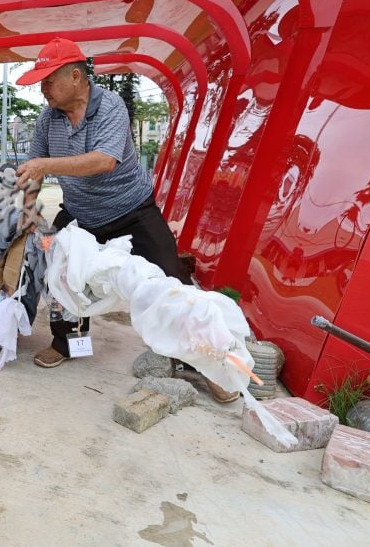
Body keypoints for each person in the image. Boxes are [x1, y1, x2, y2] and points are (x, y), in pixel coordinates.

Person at [14, 38, 233, 402]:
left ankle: (206, 363)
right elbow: (34, 172)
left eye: (47, 81)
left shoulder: (111, 105)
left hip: (132, 209)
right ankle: (68, 343)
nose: (43, 90)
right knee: (62, 275)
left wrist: (45, 165)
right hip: (82, 212)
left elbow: (104, 161)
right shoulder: (47, 119)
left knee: (172, 281)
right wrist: (29, 210)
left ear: (75, 76)